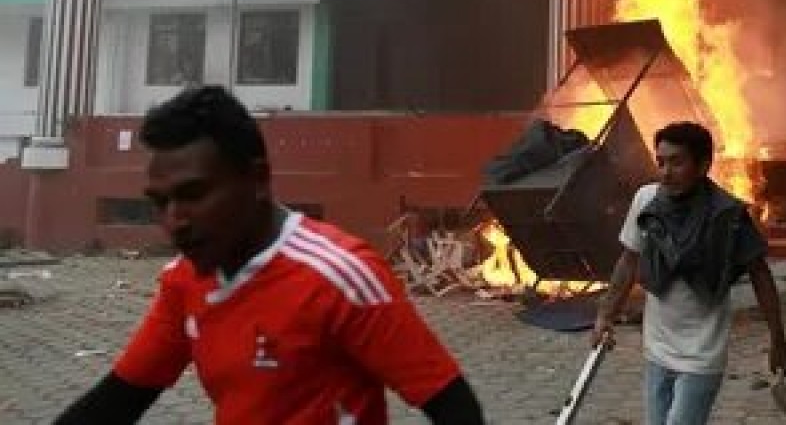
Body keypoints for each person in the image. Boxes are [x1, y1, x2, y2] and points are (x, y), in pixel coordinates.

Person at [54, 85, 485, 425]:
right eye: (160, 202)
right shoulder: (183, 282)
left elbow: (454, 407)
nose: (174, 220)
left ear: (258, 179)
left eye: (193, 194)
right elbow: (120, 399)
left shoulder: (339, 275)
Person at [591, 122, 786, 425]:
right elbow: (628, 260)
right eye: (660, 162)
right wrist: (604, 315)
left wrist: (778, 340)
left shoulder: (728, 216)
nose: (665, 172)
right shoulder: (646, 200)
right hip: (657, 350)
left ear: (703, 165)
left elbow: (761, 276)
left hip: (702, 356)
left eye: (677, 162)